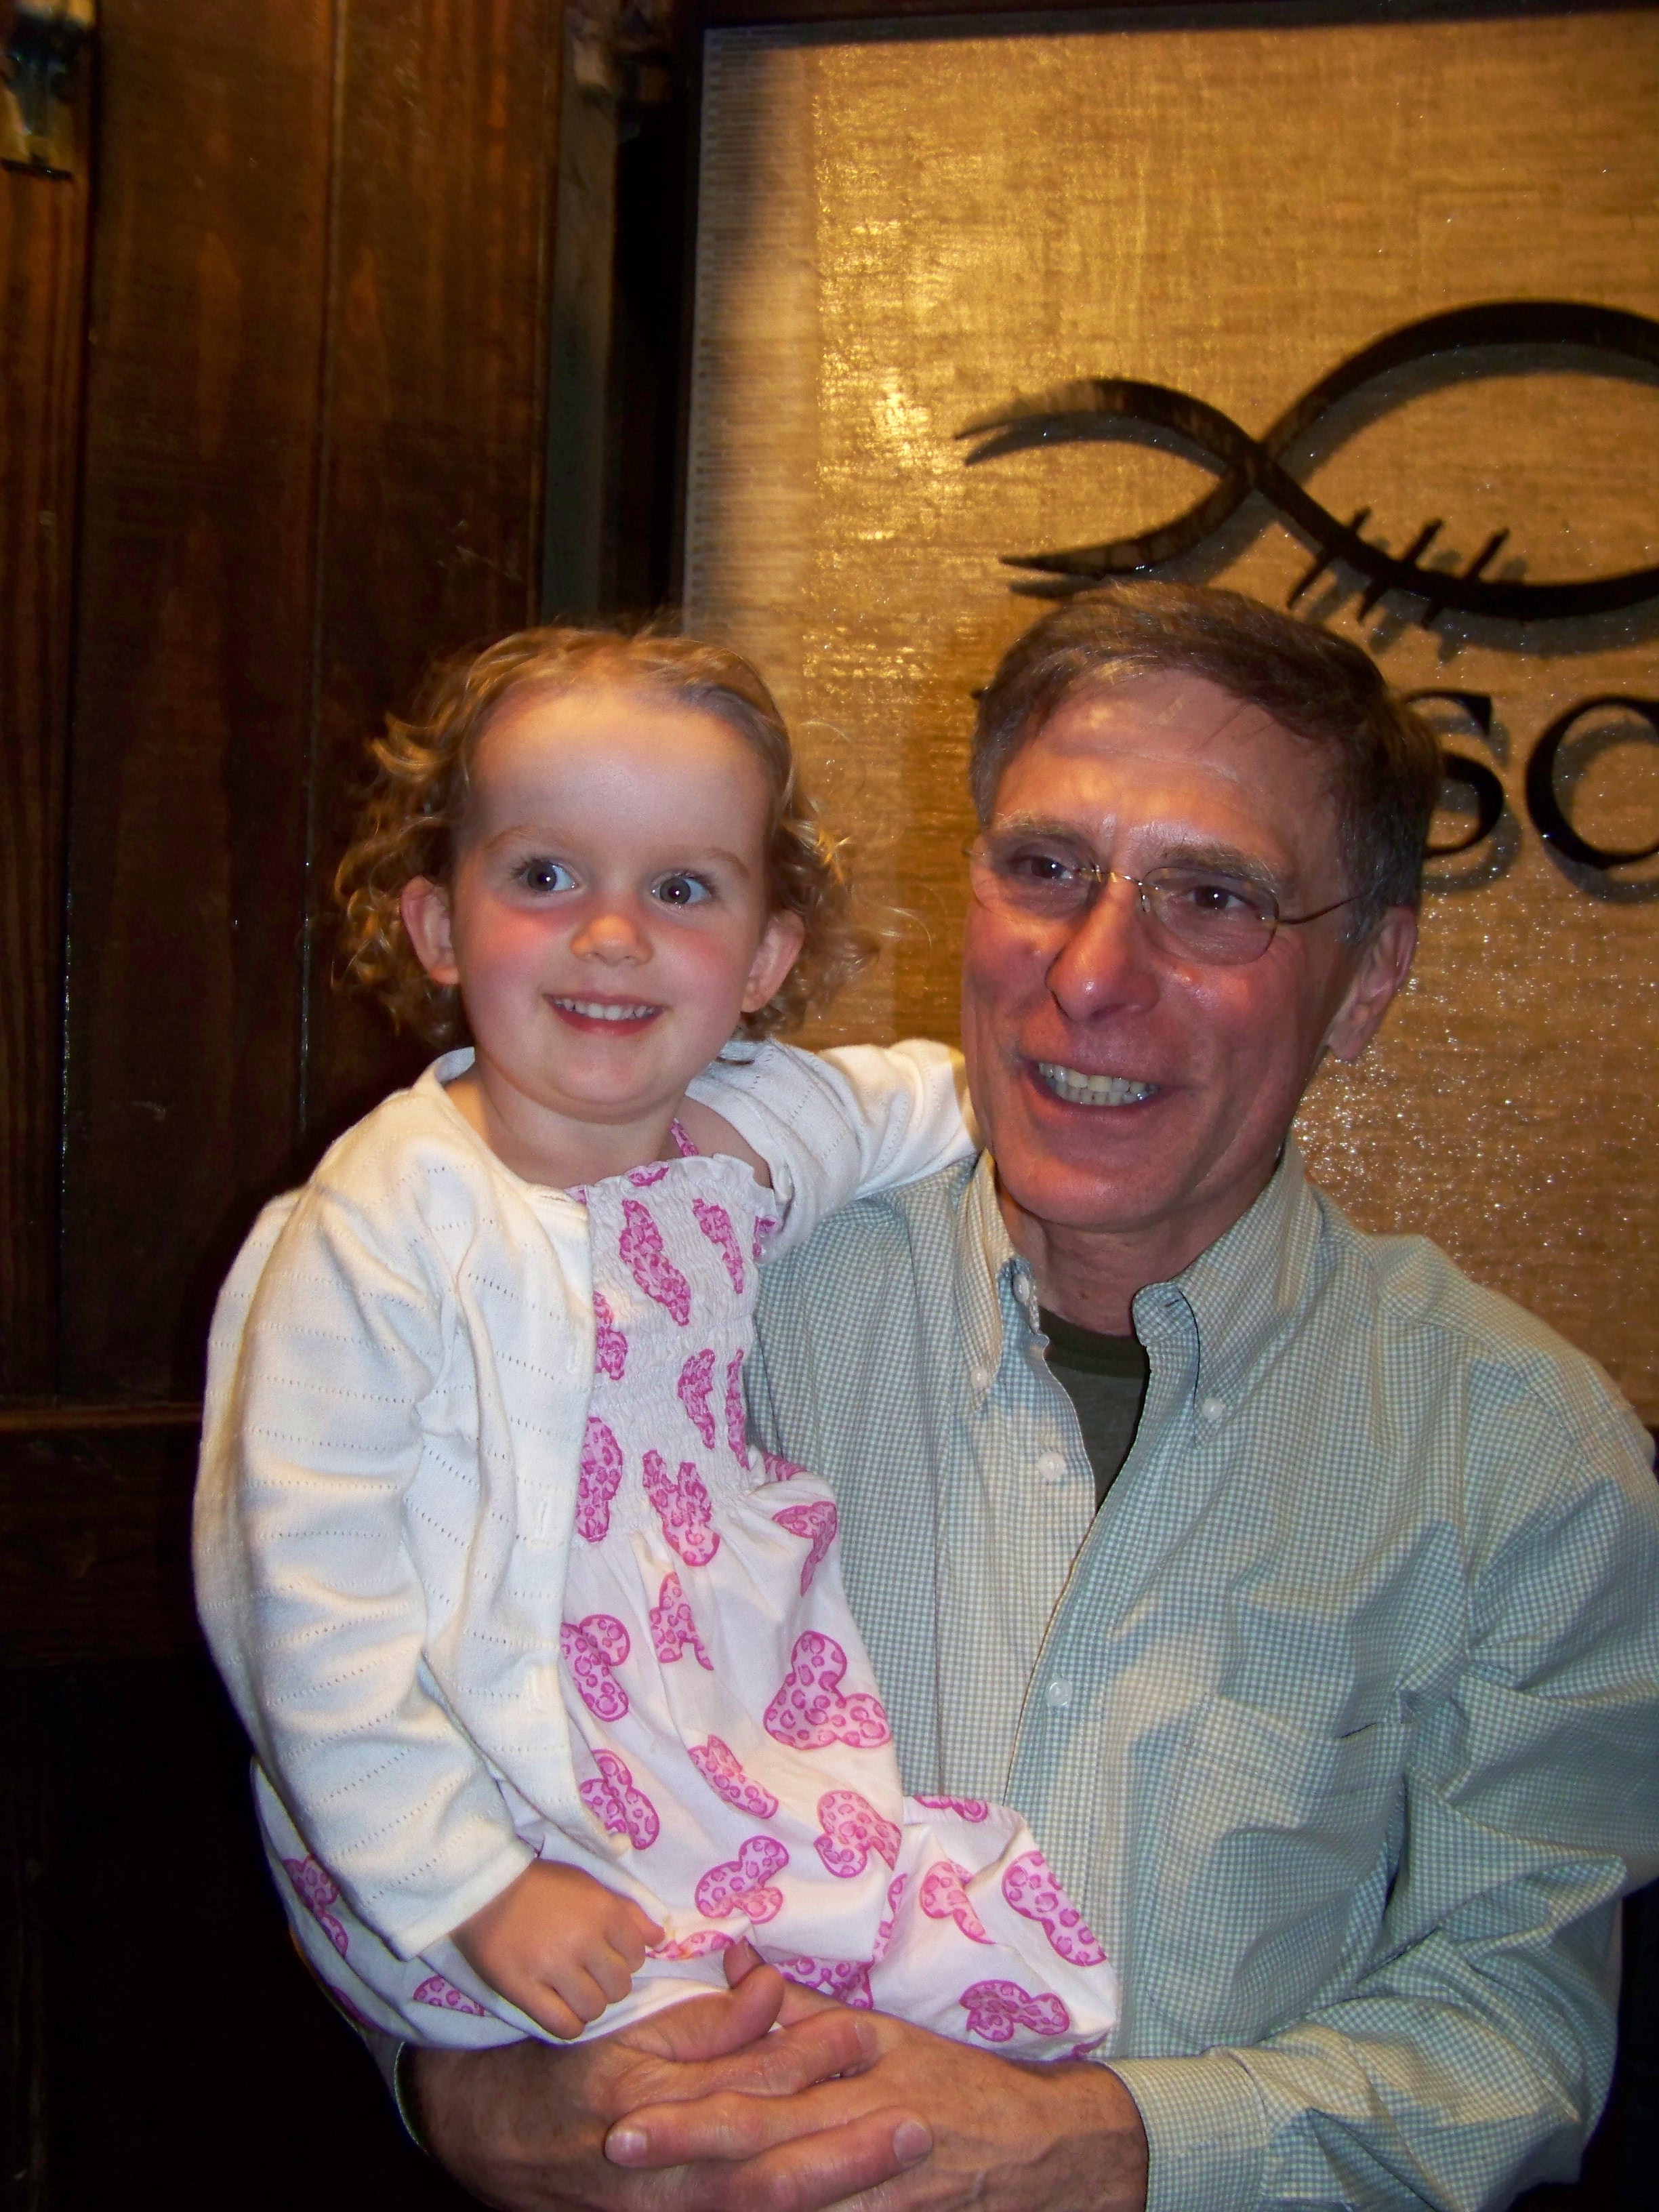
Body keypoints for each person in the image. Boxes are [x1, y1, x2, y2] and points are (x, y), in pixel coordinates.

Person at [401, 585, 1659, 2212]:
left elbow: (1510, 2038)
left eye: (1213, 897)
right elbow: (389, 1701)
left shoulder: (1523, 1461)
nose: (1092, 973)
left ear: (1365, 981)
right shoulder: (698, 1298)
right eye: (1047, 868)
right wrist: (465, 2092)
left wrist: (1109, 2147)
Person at [193, 628, 1120, 2067]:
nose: (612, 934)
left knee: (941, 1987)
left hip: (702, 1723)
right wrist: (471, 1887)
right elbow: (300, 1597)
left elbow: (922, 1103)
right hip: (482, 1785)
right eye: (544, 876)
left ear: (763, 957)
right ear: (438, 924)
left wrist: (1067, 1105)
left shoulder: (742, 1137)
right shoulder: (387, 1220)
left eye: (681, 889)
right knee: (691, 2061)